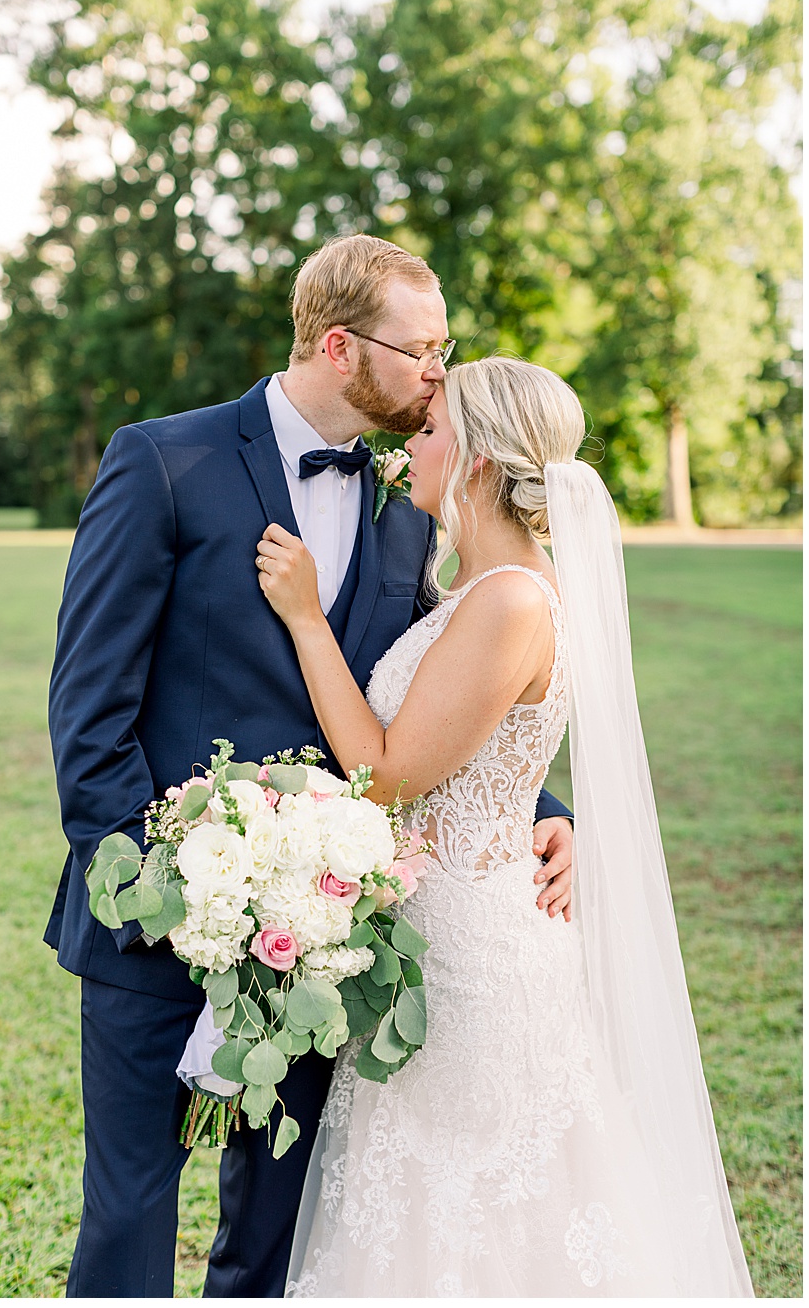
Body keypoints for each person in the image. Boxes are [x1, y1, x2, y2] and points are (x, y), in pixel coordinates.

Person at [46, 234, 575, 1296]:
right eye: (420, 348)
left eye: (445, 349)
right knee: (131, 1216)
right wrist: (163, 891)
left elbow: (451, 691)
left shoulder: (402, 515)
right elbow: (87, 709)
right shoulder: (164, 460)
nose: (439, 371)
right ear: (341, 345)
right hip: (161, 921)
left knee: (282, 1230)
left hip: (329, 929)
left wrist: (542, 806)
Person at [261, 357, 751, 1295]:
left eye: (433, 426)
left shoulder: (514, 599)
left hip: (473, 966)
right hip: (438, 942)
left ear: (478, 458)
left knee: (479, 1223)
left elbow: (389, 773)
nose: (414, 441)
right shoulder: (481, 587)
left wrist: (305, 618)